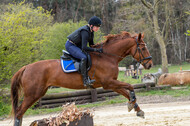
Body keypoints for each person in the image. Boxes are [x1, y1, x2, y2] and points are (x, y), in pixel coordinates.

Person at [65, 16, 103, 87]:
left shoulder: (91, 31)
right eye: (97, 26)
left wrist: (99, 47)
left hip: (77, 46)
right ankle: (85, 80)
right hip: (70, 45)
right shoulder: (85, 31)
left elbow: (91, 45)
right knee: (83, 57)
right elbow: (84, 47)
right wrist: (96, 50)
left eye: (99, 27)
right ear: (91, 25)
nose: (98, 28)